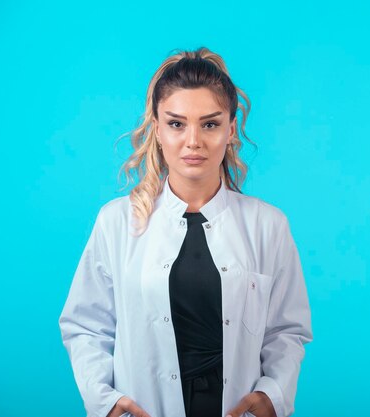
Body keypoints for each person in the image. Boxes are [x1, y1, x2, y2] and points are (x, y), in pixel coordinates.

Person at [58, 46, 313, 417]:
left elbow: (287, 331)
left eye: (209, 123)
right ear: (157, 129)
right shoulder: (116, 222)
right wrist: (105, 401)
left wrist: (272, 395)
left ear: (230, 129)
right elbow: (85, 325)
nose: (193, 140)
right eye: (177, 123)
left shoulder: (267, 225)